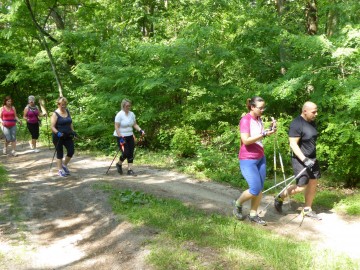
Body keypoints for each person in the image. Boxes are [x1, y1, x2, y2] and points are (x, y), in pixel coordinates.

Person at [233, 96, 276, 226]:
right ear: (252, 107)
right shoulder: (245, 120)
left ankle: (253, 214)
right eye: (260, 108)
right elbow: (246, 140)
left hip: (260, 157)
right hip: (248, 159)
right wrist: (263, 134)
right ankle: (237, 204)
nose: (263, 110)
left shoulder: (259, 120)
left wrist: (269, 130)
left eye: (264, 107)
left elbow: (258, 137)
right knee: (255, 189)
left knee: (260, 188)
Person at [274, 101, 321, 220]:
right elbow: (293, 144)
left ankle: (307, 209)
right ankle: (280, 197)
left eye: (316, 111)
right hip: (300, 159)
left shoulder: (312, 122)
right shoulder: (296, 124)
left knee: (313, 182)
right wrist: (305, 159)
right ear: (305, 111)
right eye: (314, 112)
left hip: (312, 159)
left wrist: (311, 158)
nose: (316, 114)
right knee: (301, 186)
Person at [113, 99, 145, 176]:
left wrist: (140, 130)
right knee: (126, 152)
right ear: (123, 106)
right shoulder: (119, 115)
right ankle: (119, 164)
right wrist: (120, 136)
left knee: (131, 152)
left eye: (129, 106)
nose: (128, 107)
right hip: (121, 136)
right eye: (127, 106)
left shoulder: (132, 114)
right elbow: (116, 127)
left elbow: (134, 124)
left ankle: (129, 170)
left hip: (130, 135)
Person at [50, 97, 77, 177]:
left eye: (65, 105)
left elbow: (70, 123)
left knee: (71, 151)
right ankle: (60, 170)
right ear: (58, 104)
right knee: (60, 153)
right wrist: (57, 133)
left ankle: (64, 165)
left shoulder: (67, 111)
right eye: (62, 105)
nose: (64, 106)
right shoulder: (55, 114)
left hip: (68, 135)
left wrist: (73, 132)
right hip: (58, 137)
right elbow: (52, 127)